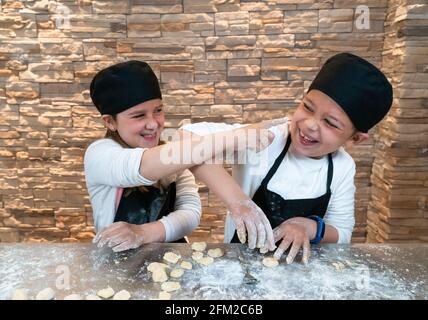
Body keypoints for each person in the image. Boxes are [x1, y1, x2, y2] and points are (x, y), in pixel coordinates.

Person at [183, 52, 393, 263]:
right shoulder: (266, 141)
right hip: (240, 266)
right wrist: (238, 200)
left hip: (301, 273)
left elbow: (342, 233)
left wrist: (309, 227)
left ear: (354, 139)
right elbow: (185, 138)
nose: (310, 124)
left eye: (330, 123)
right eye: (307, 107)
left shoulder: (342, 167)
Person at [84, 60, 283, 252]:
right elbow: (144, 166)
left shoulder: (175, 153)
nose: (153, 124)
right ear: (110, 122)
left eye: (158, 111)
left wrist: (143, 233)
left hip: (171, 257)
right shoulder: (100, 154)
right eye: (139, 116)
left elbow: (190, 213)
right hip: (117, 262)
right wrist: (234, 138)